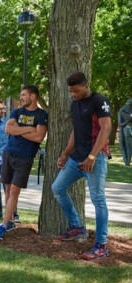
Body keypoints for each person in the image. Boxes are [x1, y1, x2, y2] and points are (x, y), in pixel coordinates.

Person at [52, 72, 111, 260]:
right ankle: (77, 227)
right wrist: (65, 153)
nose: (73, 94)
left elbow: (106, 128)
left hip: (95, 158)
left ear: (86, 86)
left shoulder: (99, 101)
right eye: (70, 91)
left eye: (75, 91)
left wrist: (92, 156)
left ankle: (101, 245)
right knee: (58, 188)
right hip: (76, 158)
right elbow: (75, 132)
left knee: (98, 199)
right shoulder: (75, 104)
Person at [0, 85, 48, 239]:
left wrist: (19, 128)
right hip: (9, 153)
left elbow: (39, 137)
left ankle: (2, 226)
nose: (21, 97)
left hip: (25, 157)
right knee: (8, 189)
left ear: (33, 96)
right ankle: (9, 221)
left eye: (24, 95)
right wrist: (29, 129)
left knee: (15, 190)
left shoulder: (41, 115)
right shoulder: (17, 111)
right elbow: (7, 130)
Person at [118, 99, 132, 166]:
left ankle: (127, 162)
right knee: (122, 146)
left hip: (128, 132)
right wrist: (128, 120)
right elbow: (120, 124)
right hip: (123, 132)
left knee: (129, 147)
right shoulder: (121, 111)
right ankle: (126, 162)